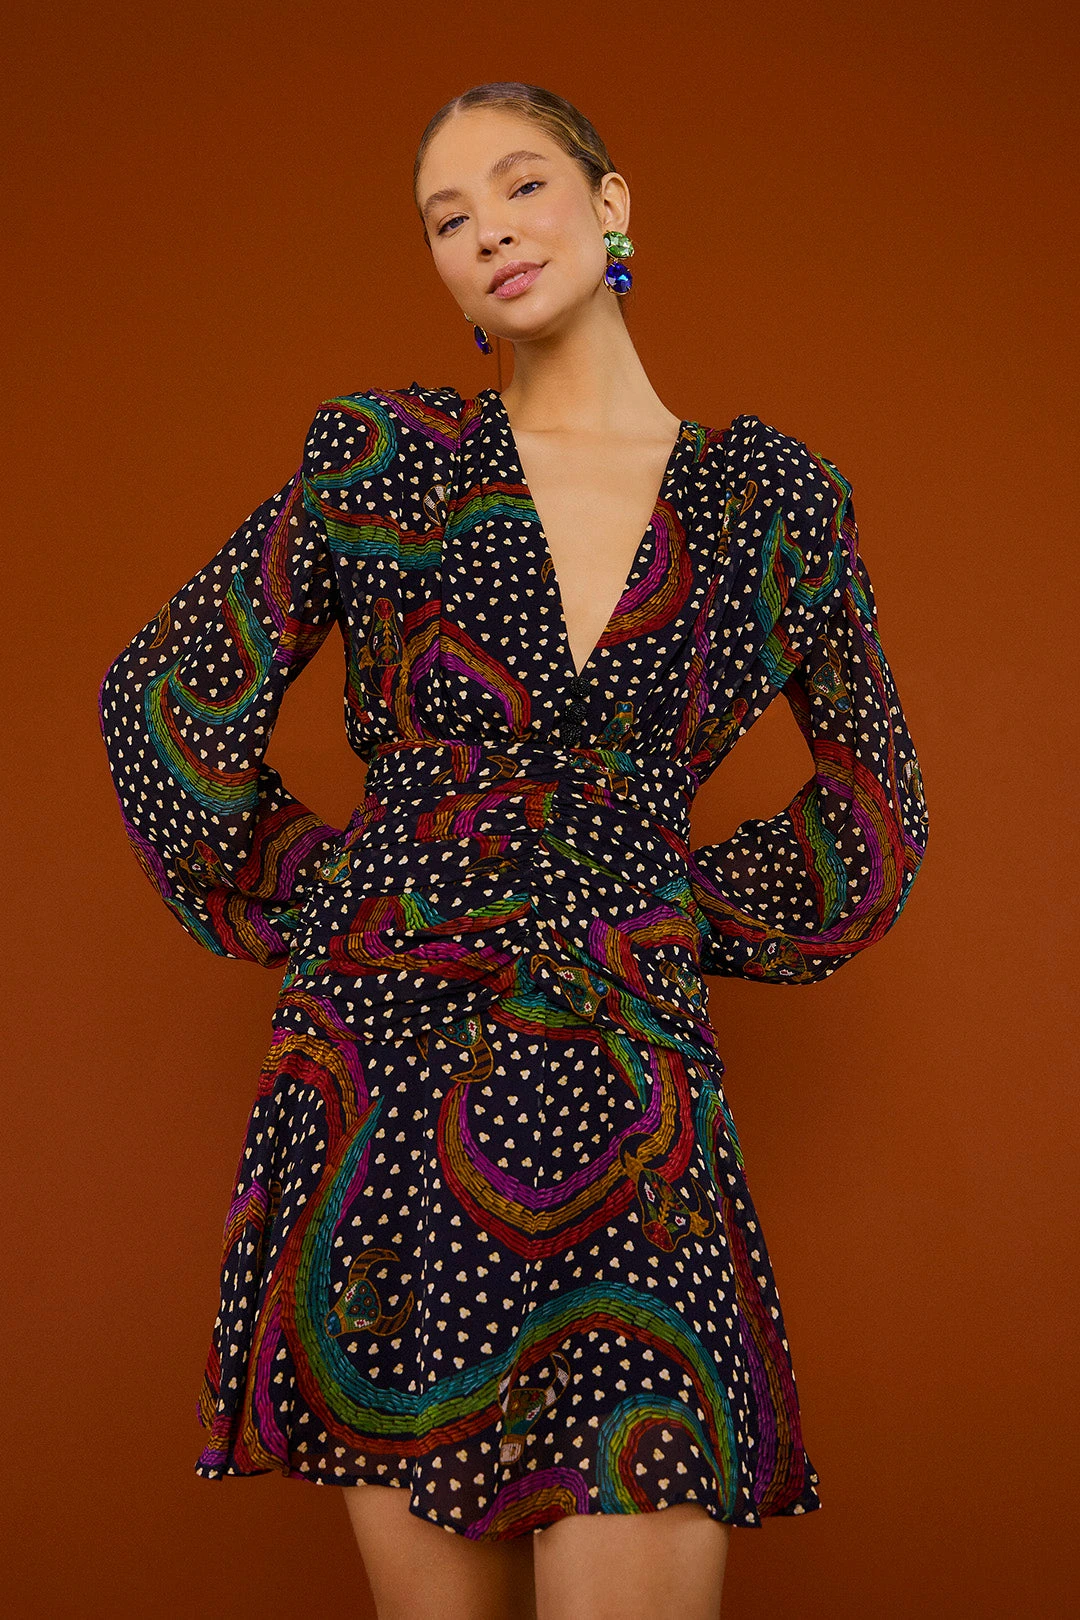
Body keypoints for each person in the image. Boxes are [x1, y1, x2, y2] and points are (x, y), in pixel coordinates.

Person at [98, 80, 930, 1620]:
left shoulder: (771, 505)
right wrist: (344, 897)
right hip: (390, 1085)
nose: (488, 230)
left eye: (522, 184)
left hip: (626, 1092)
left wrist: (669, 912)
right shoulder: (381, 461)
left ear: (612, 205)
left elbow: (877, 807)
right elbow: (165, 709)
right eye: (448, 217)